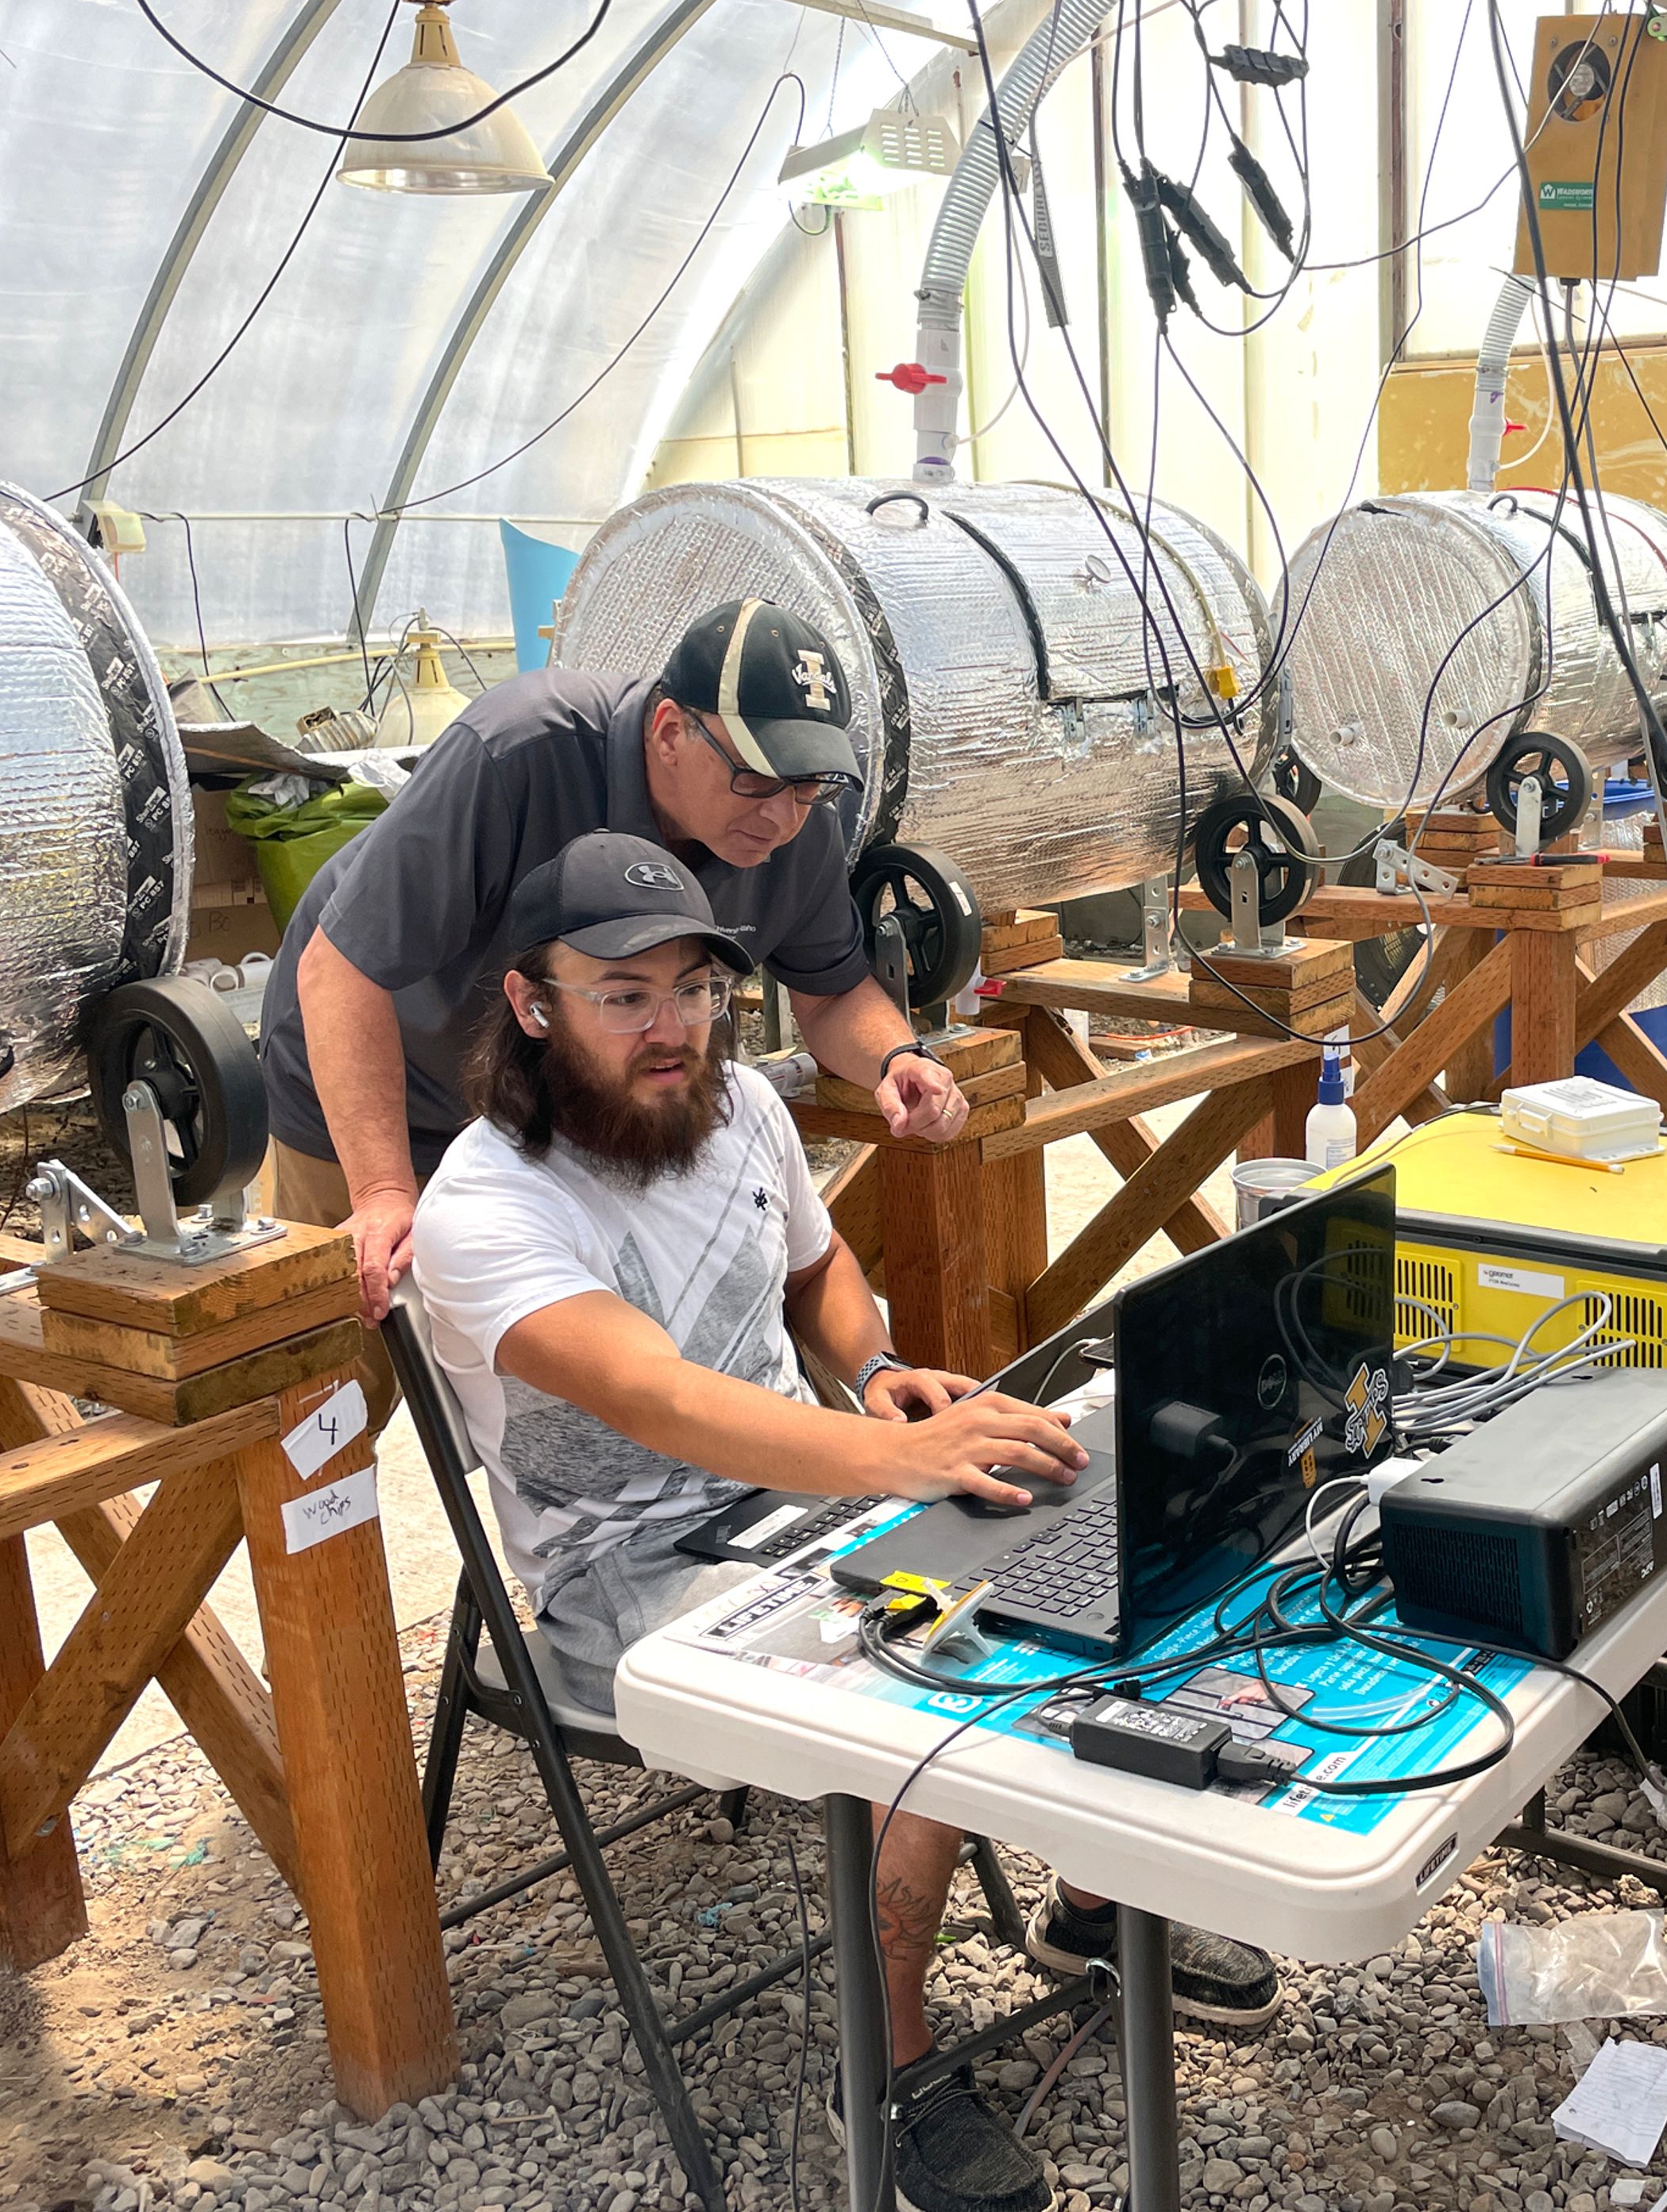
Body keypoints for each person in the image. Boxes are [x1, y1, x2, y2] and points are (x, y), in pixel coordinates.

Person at [406, 833, 1278, 2212]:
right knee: (919, 1670)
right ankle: (888, 2056)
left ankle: (1096, 1901)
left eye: (695, 991)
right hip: (629, 1581)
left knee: (1096, 1511)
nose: (673, 1028)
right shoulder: (484, 1205)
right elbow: (663, 1401)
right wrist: (893, 1456)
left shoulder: (740, 1105)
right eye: (623, 996)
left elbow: (817, 1272)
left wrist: (873, 1370)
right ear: (531, 1004)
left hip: (804, 1488)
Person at [262, 598, 970, 1330]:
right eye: (757, 777)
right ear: (670, 731)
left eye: (808, 782)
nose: (783, 816)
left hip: (575, 1114)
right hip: (387, 1096)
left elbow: (829, 993)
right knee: (343, 1370)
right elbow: (339, 970)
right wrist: (380, 1189)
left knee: (577, 1367)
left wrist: (896, 1058)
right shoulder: (517, 750)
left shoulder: (796, 827)